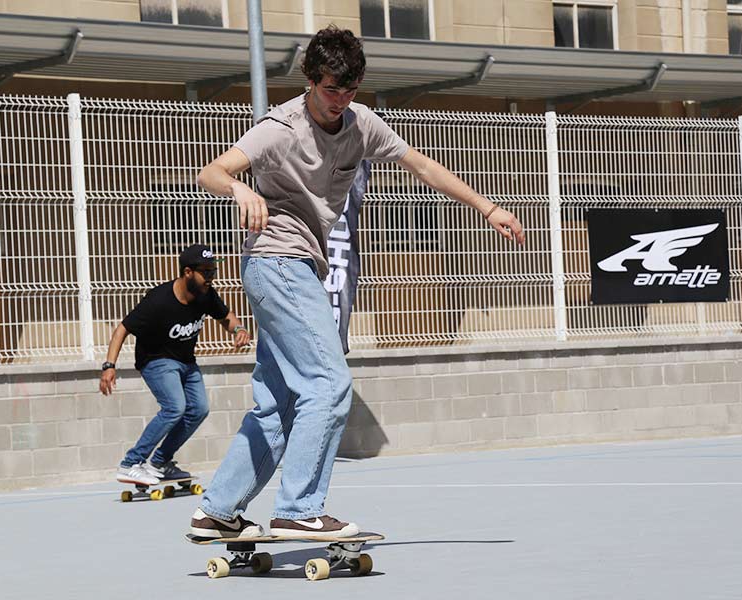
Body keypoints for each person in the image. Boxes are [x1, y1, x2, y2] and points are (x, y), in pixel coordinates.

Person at [190, 26, 525, 539]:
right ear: (309, 81)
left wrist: (488, 206)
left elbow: (420, 165)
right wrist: (239, 189)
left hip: (292, 268)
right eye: (330, 91)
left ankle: (217, 510)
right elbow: (210, 172)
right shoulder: (281, 127)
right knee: (329, 382)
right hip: (278, 262)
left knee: (279, 401)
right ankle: (299, 509)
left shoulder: (360, 121)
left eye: (349, 91)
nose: (339, 102)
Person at [100, 243, 251, 486]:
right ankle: (130, 463)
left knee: (199, 409)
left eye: (213, 272)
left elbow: (226, 317)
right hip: (156, 360)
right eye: (206, 272)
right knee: (175, 407)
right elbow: (122, 329)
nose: (211, 278)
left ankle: (160, 461)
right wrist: (109, 365)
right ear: (188, 272)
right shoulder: (158, 300)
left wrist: (239, 329)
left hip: (186, 361)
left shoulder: (206, 295)